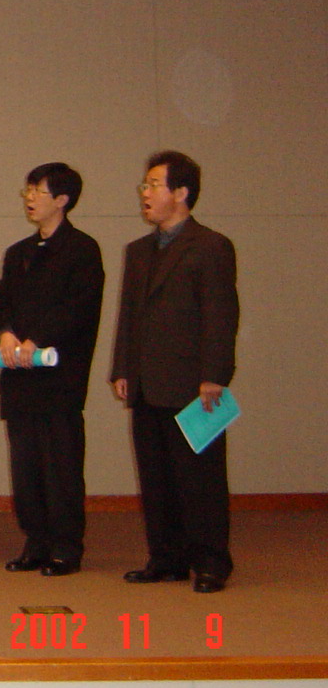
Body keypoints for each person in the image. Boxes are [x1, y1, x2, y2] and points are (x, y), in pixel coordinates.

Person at [111, 151, 239, 593]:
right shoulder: (139, 251)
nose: (144, 193)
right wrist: (122, 367)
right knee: (156, 476)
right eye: (144, 185)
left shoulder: (210, 246)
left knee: (200, 478)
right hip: (146, 382)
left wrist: (215, 374)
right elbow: (129, 316)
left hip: (193, 384)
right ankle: (166, 558)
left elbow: (221, 314)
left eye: (153, 185)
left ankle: (211, 562)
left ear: (181, 193)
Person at [0, 162, 104, 577]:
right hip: (19, 379)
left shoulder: (82, 250)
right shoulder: (19, 253)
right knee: (26, 468)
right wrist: (5, 334)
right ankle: (35, 541)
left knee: (61, 467)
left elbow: (78, 309)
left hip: (59, 379)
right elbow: (1, 303)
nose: (30, 198)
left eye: (38, 191)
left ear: (62, 199)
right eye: (28, 190)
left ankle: (66, 547)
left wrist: (37, 340)